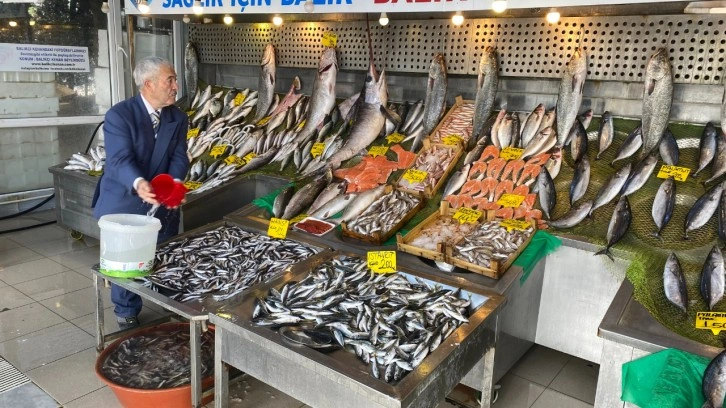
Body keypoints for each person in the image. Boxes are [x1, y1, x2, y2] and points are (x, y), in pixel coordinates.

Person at [92, 56, 189, 330]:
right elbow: (119, 159)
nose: (175, 86)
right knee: (127, 259)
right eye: (169, 80)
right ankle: (126, 312)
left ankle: (166, 300)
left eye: (174, 79)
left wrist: (174, 183)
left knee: (164, 251)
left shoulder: (178, 117)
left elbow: (180, 156)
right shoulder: (120, 115)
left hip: (160, 198)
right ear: (148, 84)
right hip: (125, 196)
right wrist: (138, 183)